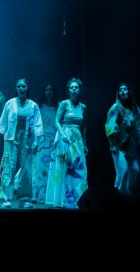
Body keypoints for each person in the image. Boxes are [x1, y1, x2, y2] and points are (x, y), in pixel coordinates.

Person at [0, 78, 42, 208]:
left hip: (27, 139)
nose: (21, 88)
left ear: (27, 88)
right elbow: (3, 122)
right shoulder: (10, 104)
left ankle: (24, 199)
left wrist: (37, 140)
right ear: (16, 89)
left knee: (26, 169)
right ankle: (7, 198)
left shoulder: (33, 105)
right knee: (9, 167)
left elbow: (38, 124)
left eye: (23, 86)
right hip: (11, 139)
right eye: (19, 86)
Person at [46, 78, 88, 209]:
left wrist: (85, 144)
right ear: (68, 90)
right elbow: (57, 121)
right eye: (72, 87)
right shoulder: (64, 104)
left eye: (76, 87)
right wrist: (63, 135)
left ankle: (79, 197)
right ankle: (63, 199)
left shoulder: (83, 107)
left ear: (80, 90)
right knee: (65, 167)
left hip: (77, 139)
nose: (74, 89)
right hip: (65, 136)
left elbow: (84, 127)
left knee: (79, 168)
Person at [105, 83, 140, 201]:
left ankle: (133, 198)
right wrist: (114, 142)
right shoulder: (116, 107)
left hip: (134, 143)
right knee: (122, 171)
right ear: (118, 93)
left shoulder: (135, 108)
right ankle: (118, 198)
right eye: (120, 90)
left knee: (135, 170)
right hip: (121, 144)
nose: (123, 92)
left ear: (129, 92)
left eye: (125, 89)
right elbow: (109, 126)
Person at [32, 83, 57, 203]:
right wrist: (36, 141)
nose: (49, 92)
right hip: (42, 140)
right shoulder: (39, 107)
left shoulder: (58, 106)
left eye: (51, 90)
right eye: (46, 90)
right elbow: (36, 125)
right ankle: (38, 195)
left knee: (52, 167)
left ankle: (50, 195)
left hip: (54, 140)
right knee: (40, 167)